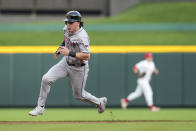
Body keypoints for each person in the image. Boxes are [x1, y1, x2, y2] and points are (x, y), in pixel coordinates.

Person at [29, 11, 107, 116]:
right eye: (67, 22)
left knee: (79, 95)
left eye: (71, 22)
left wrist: (69, 52)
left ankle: (99, 102)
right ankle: (40, 107)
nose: (68, 25)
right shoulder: (66, 29)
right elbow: (66, 40)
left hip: (79, 68)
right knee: (46, 79)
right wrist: (59, 49)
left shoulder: (82, 37)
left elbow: (87, 56)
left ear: (78, 23)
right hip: (65, 63)